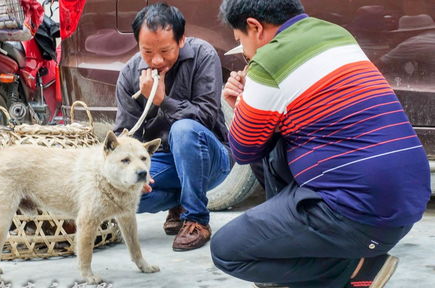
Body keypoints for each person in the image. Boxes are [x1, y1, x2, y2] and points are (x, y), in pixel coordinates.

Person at [210, 1, 431, 287]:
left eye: (240, 41)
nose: (245, 53)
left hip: (360, 216)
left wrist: (240, 104)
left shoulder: (268, 61)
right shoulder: (337, 34)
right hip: (404, 206)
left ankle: (355, 270)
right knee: (274, 141)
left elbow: (243, 150)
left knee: (227, 251)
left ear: (255, 27)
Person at [114, 3, 232, 251]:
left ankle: (196, 219)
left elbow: (207, 118)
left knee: (184, 129)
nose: (156, 61)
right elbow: (125, 134)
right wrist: (132, 172)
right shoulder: (129, 74)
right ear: (137, 45)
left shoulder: (203, 55)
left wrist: (161, 101)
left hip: (211, 158)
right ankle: (180, 203)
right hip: (165, 162)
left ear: (181, 40)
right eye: (147, 52)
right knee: (124, 191)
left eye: (165, 51)